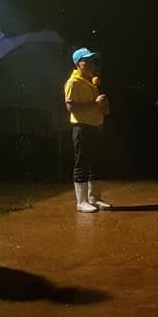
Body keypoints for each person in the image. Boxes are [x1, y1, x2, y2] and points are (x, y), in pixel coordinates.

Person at [65, 47, 112, 212]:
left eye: (93, 61)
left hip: (95, 126)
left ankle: (95, 198)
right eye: (87, 61)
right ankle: (81, 201)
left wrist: (104, 106)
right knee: (82, 163)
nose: (92, 64)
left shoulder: (92, 82)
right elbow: (70, 107)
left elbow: (102, 109)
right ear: (78, 63)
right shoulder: (73, 83)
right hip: (82, 127)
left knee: (96, 163)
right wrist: (94, 103)